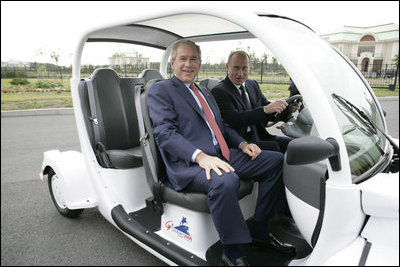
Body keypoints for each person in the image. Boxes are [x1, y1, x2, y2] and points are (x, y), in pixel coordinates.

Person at [147, 40, 294, 266]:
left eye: (193, 59)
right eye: (183, 59)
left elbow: (222, 125)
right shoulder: (161, 90)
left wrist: (243, 144)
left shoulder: (204, 91)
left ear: (200, 62)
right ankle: (232, 252)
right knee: (225, 180)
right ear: (173, 63)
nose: (188, 64)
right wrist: (200, 156)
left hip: (223, 154)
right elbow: (165, 134)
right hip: (191, 163)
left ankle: (260, 229)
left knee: (275, 160)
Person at [211, 51, 299, 153]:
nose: (240, 73)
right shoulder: (219, 91)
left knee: (295, 146)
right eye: (236, 68)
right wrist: (265, 109)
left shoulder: (252, 84)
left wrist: (289, 108)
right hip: (241, 142)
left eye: (244, 68)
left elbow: (268, 109)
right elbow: (235, 119)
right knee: (278, 151)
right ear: (227, 67)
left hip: (261, 136)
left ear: (250, 68)